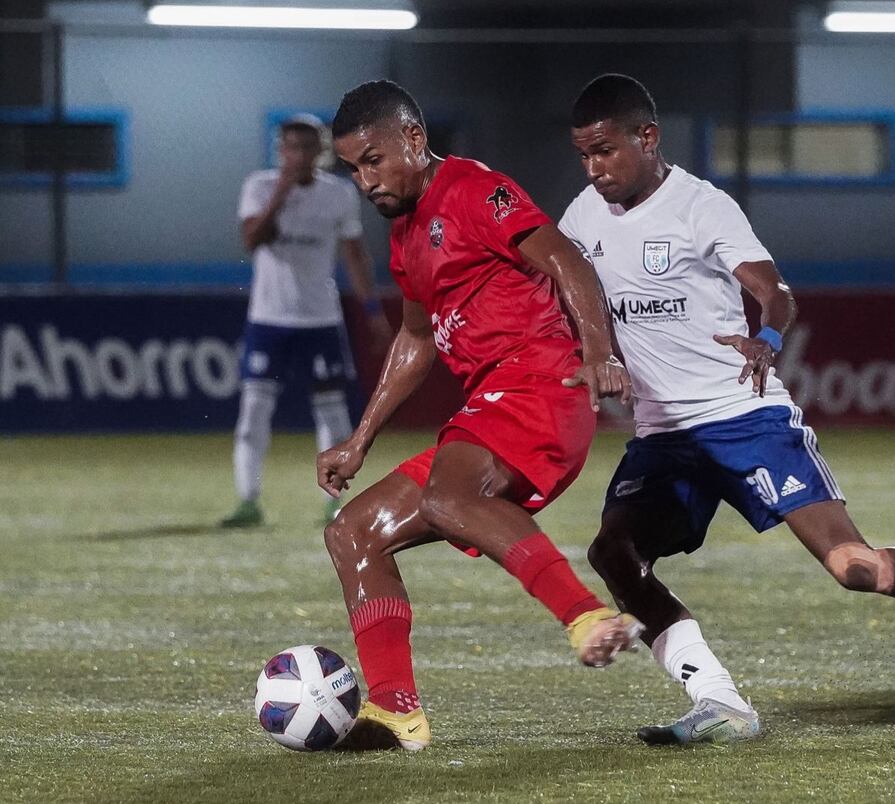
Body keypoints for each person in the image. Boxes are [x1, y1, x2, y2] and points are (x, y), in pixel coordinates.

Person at [560, 73, 895, 745]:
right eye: (584, 155)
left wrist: (766, 336)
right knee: (614, 553)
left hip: (743, 417)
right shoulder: (582, 216)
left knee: (853, 567)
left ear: (648, 137)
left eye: (606, 151)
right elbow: (566, 292)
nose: (595, 169)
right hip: (665, 434)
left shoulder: (703, 207)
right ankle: (719, 700)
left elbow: (775, 291)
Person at [318, 80, 641, 751]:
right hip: (494, 402)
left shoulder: (472, 189)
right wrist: (361, 437)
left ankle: (584, 616)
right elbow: (415, 339)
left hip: (540, 384)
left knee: (447, 493)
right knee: (353, 531)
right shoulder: (404, 238)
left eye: (372, 160)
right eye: (352, 170)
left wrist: (600, 352)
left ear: (412, 138)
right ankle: (395, 710)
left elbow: (567, 259)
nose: (364, 181)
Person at [222, 113, 391, 528]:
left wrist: (372, 311)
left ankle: (333, 502)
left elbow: (354, 254)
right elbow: (250, 240)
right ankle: (248, 501)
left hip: (320, 320)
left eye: (306, 147)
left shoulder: (337, 194)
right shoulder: (259, 187)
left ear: (321, 152)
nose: (298, 156)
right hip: (268, 319)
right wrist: (281, 192)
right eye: (290, 147)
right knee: (253, 415)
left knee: (332, 415)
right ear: (280, 151)